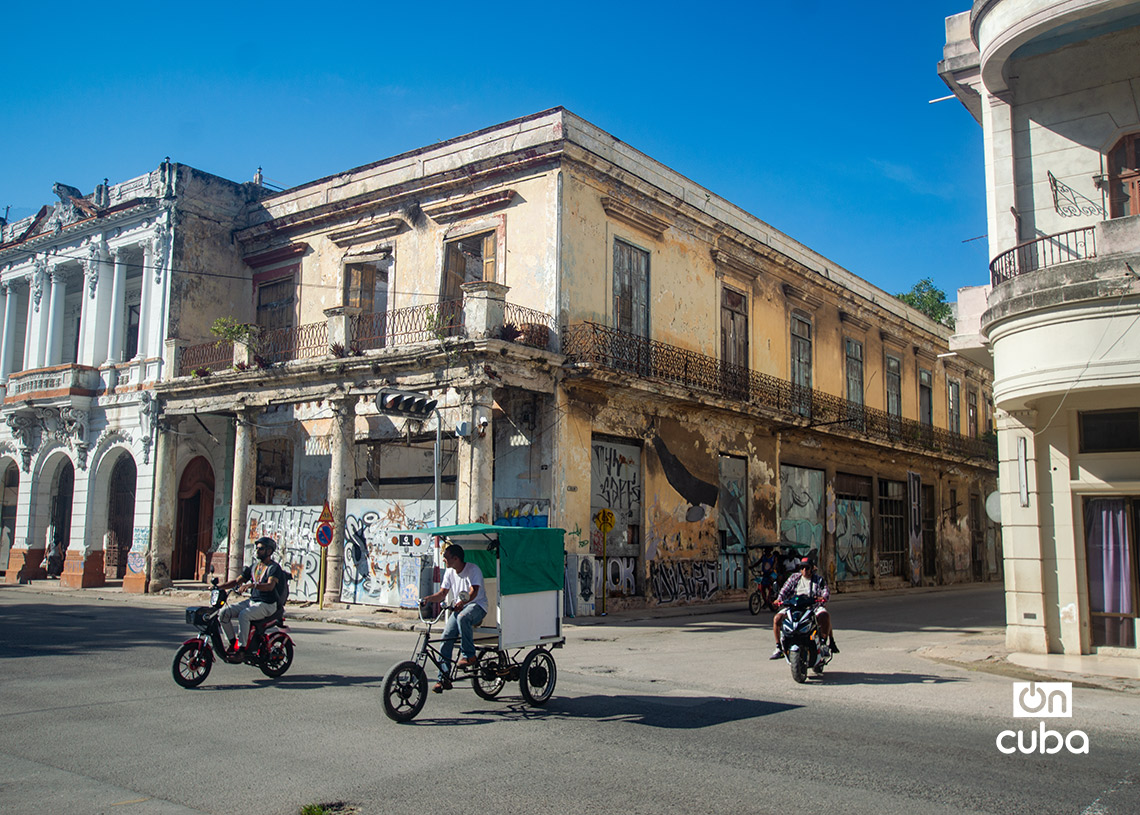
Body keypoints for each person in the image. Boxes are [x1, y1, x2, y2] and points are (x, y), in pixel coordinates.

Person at [420, 542, 488, 693]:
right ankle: (443, 678)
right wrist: (428, 599)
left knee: (463, 617)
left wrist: (462, 602)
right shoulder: (450, 572)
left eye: (446, 557)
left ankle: (469, 655)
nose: (443, 559)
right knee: (446, 637)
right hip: (461, 607)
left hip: (477, 607)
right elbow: (442, 594)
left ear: (456, 558)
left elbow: (474, 592)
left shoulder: (473, 570)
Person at [218, 537, 285, 657]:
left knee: (244, 614)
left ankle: (242, 649)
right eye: (257, 548)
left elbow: (270, 586)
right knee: (224, 613)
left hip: (267, 604)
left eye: (261, 548)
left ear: (269, 551)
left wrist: (253, 585)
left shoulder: (274, 568)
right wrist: (219, 587)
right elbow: (237, 581)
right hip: (253, 602)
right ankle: (233, 643)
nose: (257, 551)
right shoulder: (254, 567)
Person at [769, 556, 836, 660]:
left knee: (824, 615)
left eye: (807, 568)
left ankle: (823, 644)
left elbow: (825, 592)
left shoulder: (819, 580)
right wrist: (779, 599)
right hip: (794, 608)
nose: (804, 570)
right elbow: (784, 590)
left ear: (812, 568)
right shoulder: (794, 578)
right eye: (802, 567)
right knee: (777, 618)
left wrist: (822, 598)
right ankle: (779, 647)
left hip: (813, 607)